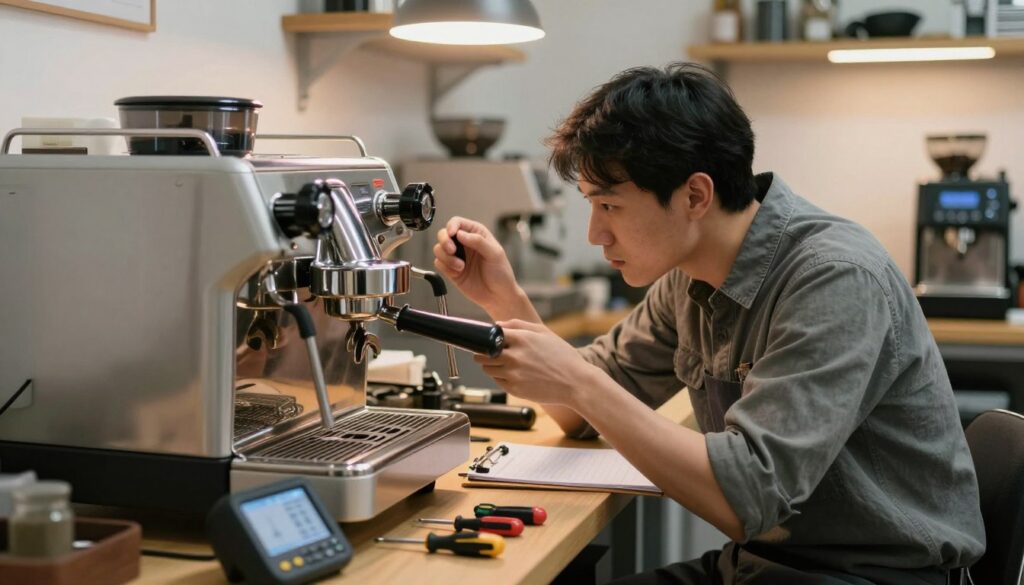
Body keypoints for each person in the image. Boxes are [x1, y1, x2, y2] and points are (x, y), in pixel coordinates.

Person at [432, 62, 985, 584]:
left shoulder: (834, 278)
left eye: (611, 207)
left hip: (872, 575)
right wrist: (504, 299)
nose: (594, 234)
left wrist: (580, 382)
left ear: (695, 194)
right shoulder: (689, 275)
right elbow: (578, 410)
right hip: (765, 565)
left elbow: (748, 497)